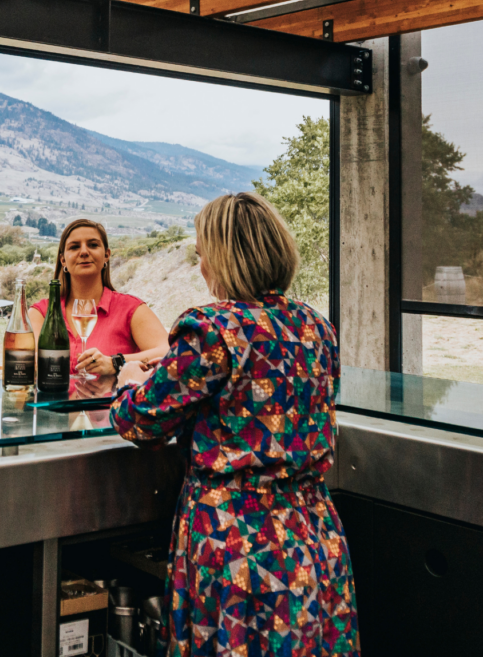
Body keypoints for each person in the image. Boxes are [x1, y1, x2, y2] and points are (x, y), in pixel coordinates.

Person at [110, 193, 358, 657]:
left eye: (203, 254)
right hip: (312, 534)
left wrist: (127, 380)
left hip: (235, 542)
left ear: (223, 257)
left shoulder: (211, 330)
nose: (201, 266)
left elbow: (140, 422)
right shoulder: (315, 327)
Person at [29, 218, 169, 377]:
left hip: (113, 402)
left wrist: (115, 363)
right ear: (63, 260)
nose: (84, 252)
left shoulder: (130, 309)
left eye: (93, 245)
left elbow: (169, 351)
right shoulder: (40, 313)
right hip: (51, 401)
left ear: (107, 255)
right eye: (74, 247)